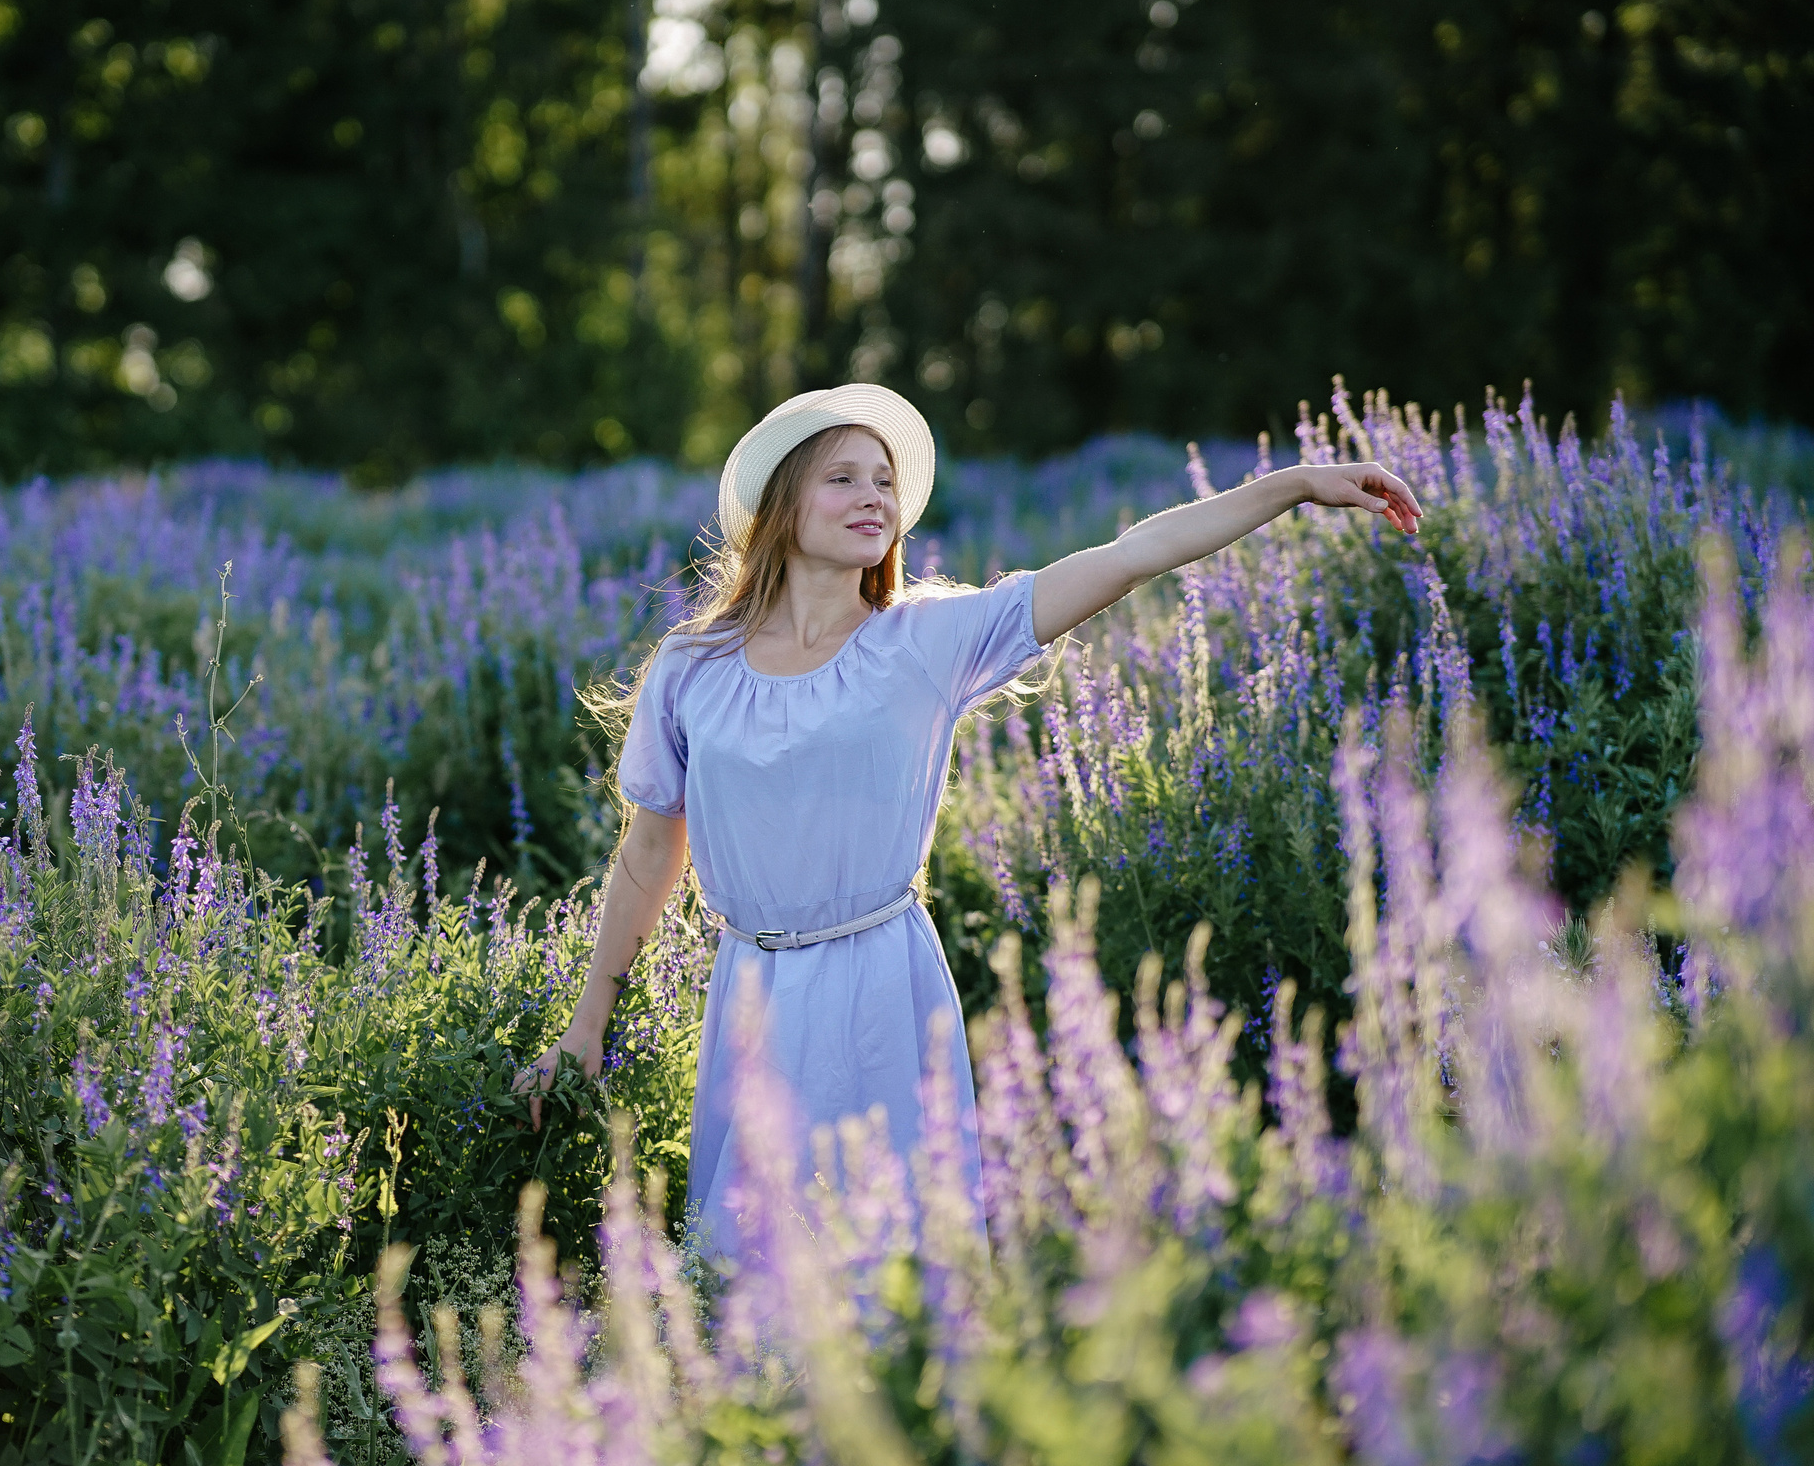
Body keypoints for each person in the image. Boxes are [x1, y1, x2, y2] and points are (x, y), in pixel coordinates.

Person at [514, 383, 1420, 1256]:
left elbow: (1128, 556)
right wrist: (587, 1020)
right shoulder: (692, 665)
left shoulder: (927, 639)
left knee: (892, 1276)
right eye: (844, 477)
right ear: (781, 506)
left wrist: (1295, 486)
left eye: (885, 480)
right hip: (750, 996)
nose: (875, 496)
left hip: (881, 985)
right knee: (754, 1277)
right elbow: (645, 857)